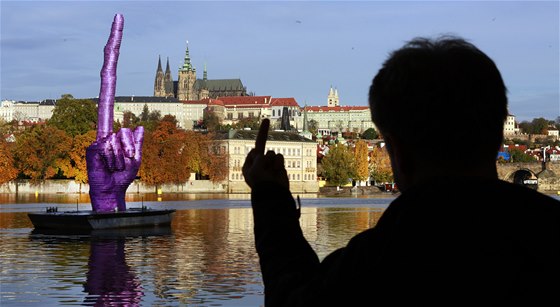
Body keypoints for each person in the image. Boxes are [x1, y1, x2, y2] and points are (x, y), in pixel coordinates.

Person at [242, 36, 560, 306]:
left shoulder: (375, 263)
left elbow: (295, 295)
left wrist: (270, 198)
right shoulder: (549, 234)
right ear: (497, 136)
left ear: (397, 150)